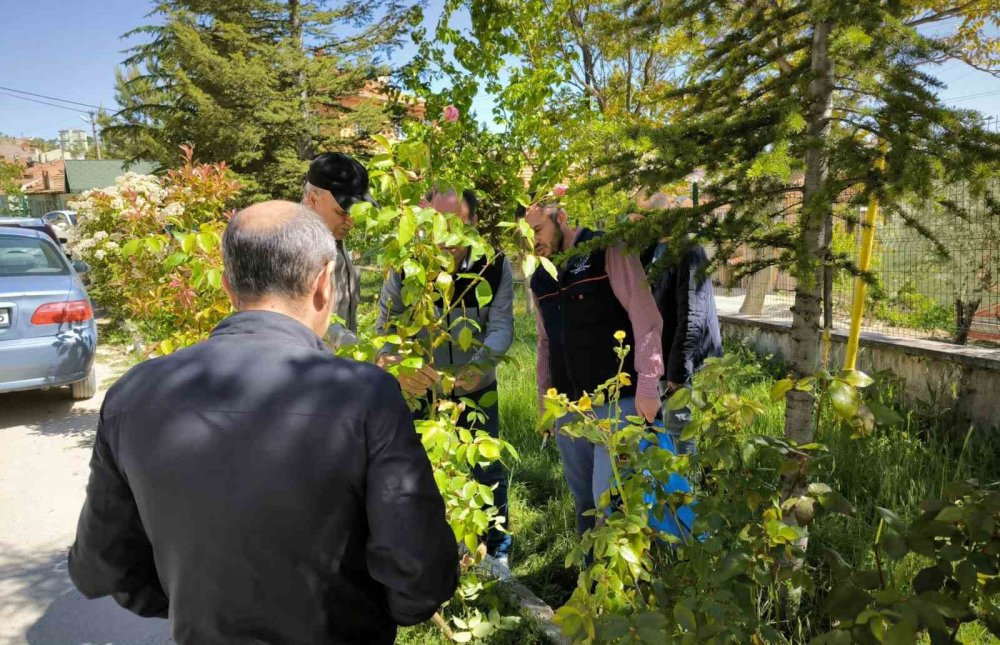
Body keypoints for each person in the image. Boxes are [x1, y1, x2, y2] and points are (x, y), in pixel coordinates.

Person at [68, 201, 457, 645]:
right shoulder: (366, 395)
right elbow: (419, 571)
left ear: (228, 285)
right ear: (323, 284)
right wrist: (373, 617)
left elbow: (99, 565)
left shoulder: (132, 395)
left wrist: (187, 603)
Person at [376, 188, 516, 568]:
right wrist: (400, 365)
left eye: (457, 224)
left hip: (477, 388)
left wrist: (480, 366)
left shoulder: (494, 266)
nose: (446, 236)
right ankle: (436, 547)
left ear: (472, 224)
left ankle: (496, 548)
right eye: (437, 223)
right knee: (423, 466)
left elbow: (501, 326)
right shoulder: (406, 268)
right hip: (420, 389)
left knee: (487, 468)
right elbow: (384, 332)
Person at [524, 202, 664, 536]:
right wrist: (545, 401)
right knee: (584, 502)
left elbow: (644, 316)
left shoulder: (606, 250)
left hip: (619, 403)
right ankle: (589, 581)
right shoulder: (541, 278)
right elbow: (545, 344)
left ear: (561, 218)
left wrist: (648, 382)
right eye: (527, 235)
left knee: (610, 503)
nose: (533, 242)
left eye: (538, 231)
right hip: (570, 408)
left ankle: (620, 583)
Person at [629, 211, 723, 454]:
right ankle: (664, 486)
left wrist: (678, 373)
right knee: (659, 430)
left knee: (678, 429)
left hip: (681, 360)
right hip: (659, 357)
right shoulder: (651, 249)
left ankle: (686, 487)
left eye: (638, 217)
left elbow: (693, 314)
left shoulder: (687, 249)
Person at [303, 152, 375, 347]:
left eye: (354, 212)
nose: (350, 222)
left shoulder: (333, 237)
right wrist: (361, 351)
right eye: (342, 212)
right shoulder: (297, 249)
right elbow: (307, 319)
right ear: (312, 200)